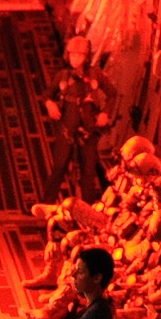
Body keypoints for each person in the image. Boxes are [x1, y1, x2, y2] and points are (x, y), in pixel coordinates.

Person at [44, 34, 111, 199]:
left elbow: (112, 94)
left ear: (86, 57)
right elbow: (48, 94)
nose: (75, 59)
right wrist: (50, 104)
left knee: (88, 172)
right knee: (59, 167)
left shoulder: (95, 75)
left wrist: (105, 113)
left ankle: (87, 209)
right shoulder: (63, 76)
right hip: (67, 128)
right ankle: (47, 204)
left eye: (79, 55)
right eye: (73, 55)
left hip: (89, 130)